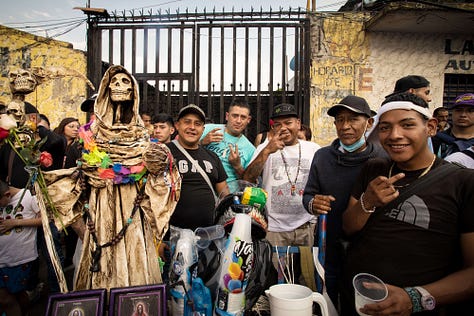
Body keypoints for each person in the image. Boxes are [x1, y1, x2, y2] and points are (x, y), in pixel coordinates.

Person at [46, 65, 181, 291]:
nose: (119, 87)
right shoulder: (90, 137)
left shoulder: (142, 137)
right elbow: (78, 179)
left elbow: (163, 181)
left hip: (132, 217)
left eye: (125, 82)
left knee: (135, 270)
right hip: (99, 216)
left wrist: (158, 167)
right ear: (106, 90)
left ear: (133, 92)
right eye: (114, 82)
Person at [340, 93, 474, 315]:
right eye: (385, 128)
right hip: (358, 300)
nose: (394, 135)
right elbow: (348, 226)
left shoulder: (463, 182)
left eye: (407, 125)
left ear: (431, 127)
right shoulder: (374, 169)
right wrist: (368, 201)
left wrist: (415, 297)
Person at [302, 95, 386, 308]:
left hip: (368, 251)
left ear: (369, 123)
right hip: (328, 246)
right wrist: (313, 204)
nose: (345, 126)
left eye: (353, 119)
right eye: (340, 120)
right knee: (327, 300)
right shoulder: (322, 156)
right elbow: (308, 195)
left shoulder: (383, 159)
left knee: (361, 305)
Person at [243, 103, 321, 270]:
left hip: (305, 226)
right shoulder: (265, 148)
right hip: (274, 228)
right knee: (272, 277)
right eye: (278, 124)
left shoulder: (313, 149)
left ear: (298, 124)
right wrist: (266, 151)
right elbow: (248, 179)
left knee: (305, 278)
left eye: (288, 123)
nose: (283, 128)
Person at [167, 104, 229, 231]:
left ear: (203, 129)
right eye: (187, 122)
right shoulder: (164, 152)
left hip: (208, 236)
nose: (192, 127)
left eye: (197, 124)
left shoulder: (213, 157)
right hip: (172, 235)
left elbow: (224, 194)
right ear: (177, 125)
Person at [0, 180, 42, 316]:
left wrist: (15, 222)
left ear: (7, 194)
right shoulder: (3, 198)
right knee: (5, 299)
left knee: (17, 294)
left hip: (19, 259)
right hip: (2, 258)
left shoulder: (28, 196)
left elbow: (45, 220)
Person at [200, 99, 255, 191]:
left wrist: (237, 166)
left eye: (243, 117)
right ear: (227, 116)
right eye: (235, 116)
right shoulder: (208, 129)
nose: (238, 121)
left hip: (228, 197)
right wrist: (202, 142)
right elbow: (183, 148)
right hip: (204, 191)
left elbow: (248, 182)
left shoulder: (250, 149)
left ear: (248, 120)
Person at [432, 93, 474, 158]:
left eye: (470, 111)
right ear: (452, 113)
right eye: (459, 110)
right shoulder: (436, 138)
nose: (463, 115)